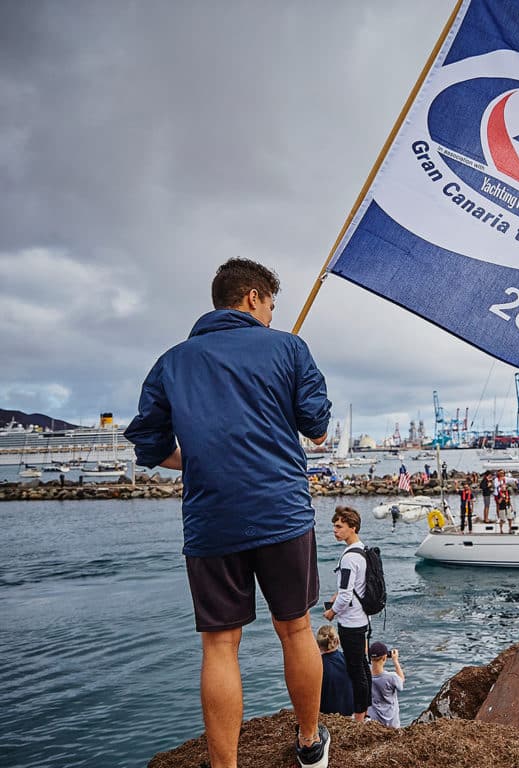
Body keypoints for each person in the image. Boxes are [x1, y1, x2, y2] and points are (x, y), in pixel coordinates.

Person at [125, 258, 332, 768]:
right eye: (271, 306)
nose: (271, 315)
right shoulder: (287, 347)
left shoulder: (172, 361)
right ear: (253, 298)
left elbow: (149, 446)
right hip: (281, 511)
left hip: (211, 518)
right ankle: (309, 742)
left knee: (219, 646)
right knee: (297, 629)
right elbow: (318, 426)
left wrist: (195, 461)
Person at [323, 506, 372, 722]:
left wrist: (332, 612)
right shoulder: (363, 549)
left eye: (339, 526)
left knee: (356, 669)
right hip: (363, 618)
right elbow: (355, 587)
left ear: (352, 528)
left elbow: (345, 596)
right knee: (362, 664)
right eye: (334, 525)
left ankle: (360, 716)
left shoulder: (349, 558)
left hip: (351, 622)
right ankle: (366, 709)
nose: (334, 530)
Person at [316, 625, 354, 717]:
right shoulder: (349, 659)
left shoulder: (316, 665)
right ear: (337, 641)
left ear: (318, 644)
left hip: (326, 715)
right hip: (350, 712)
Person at [367, 641, 405, 728]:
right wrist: (395, 661)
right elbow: (401, 682)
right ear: (384, 658)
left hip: (374, 721)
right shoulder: (391, 677)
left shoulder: (365, 675)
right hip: (392, 722)